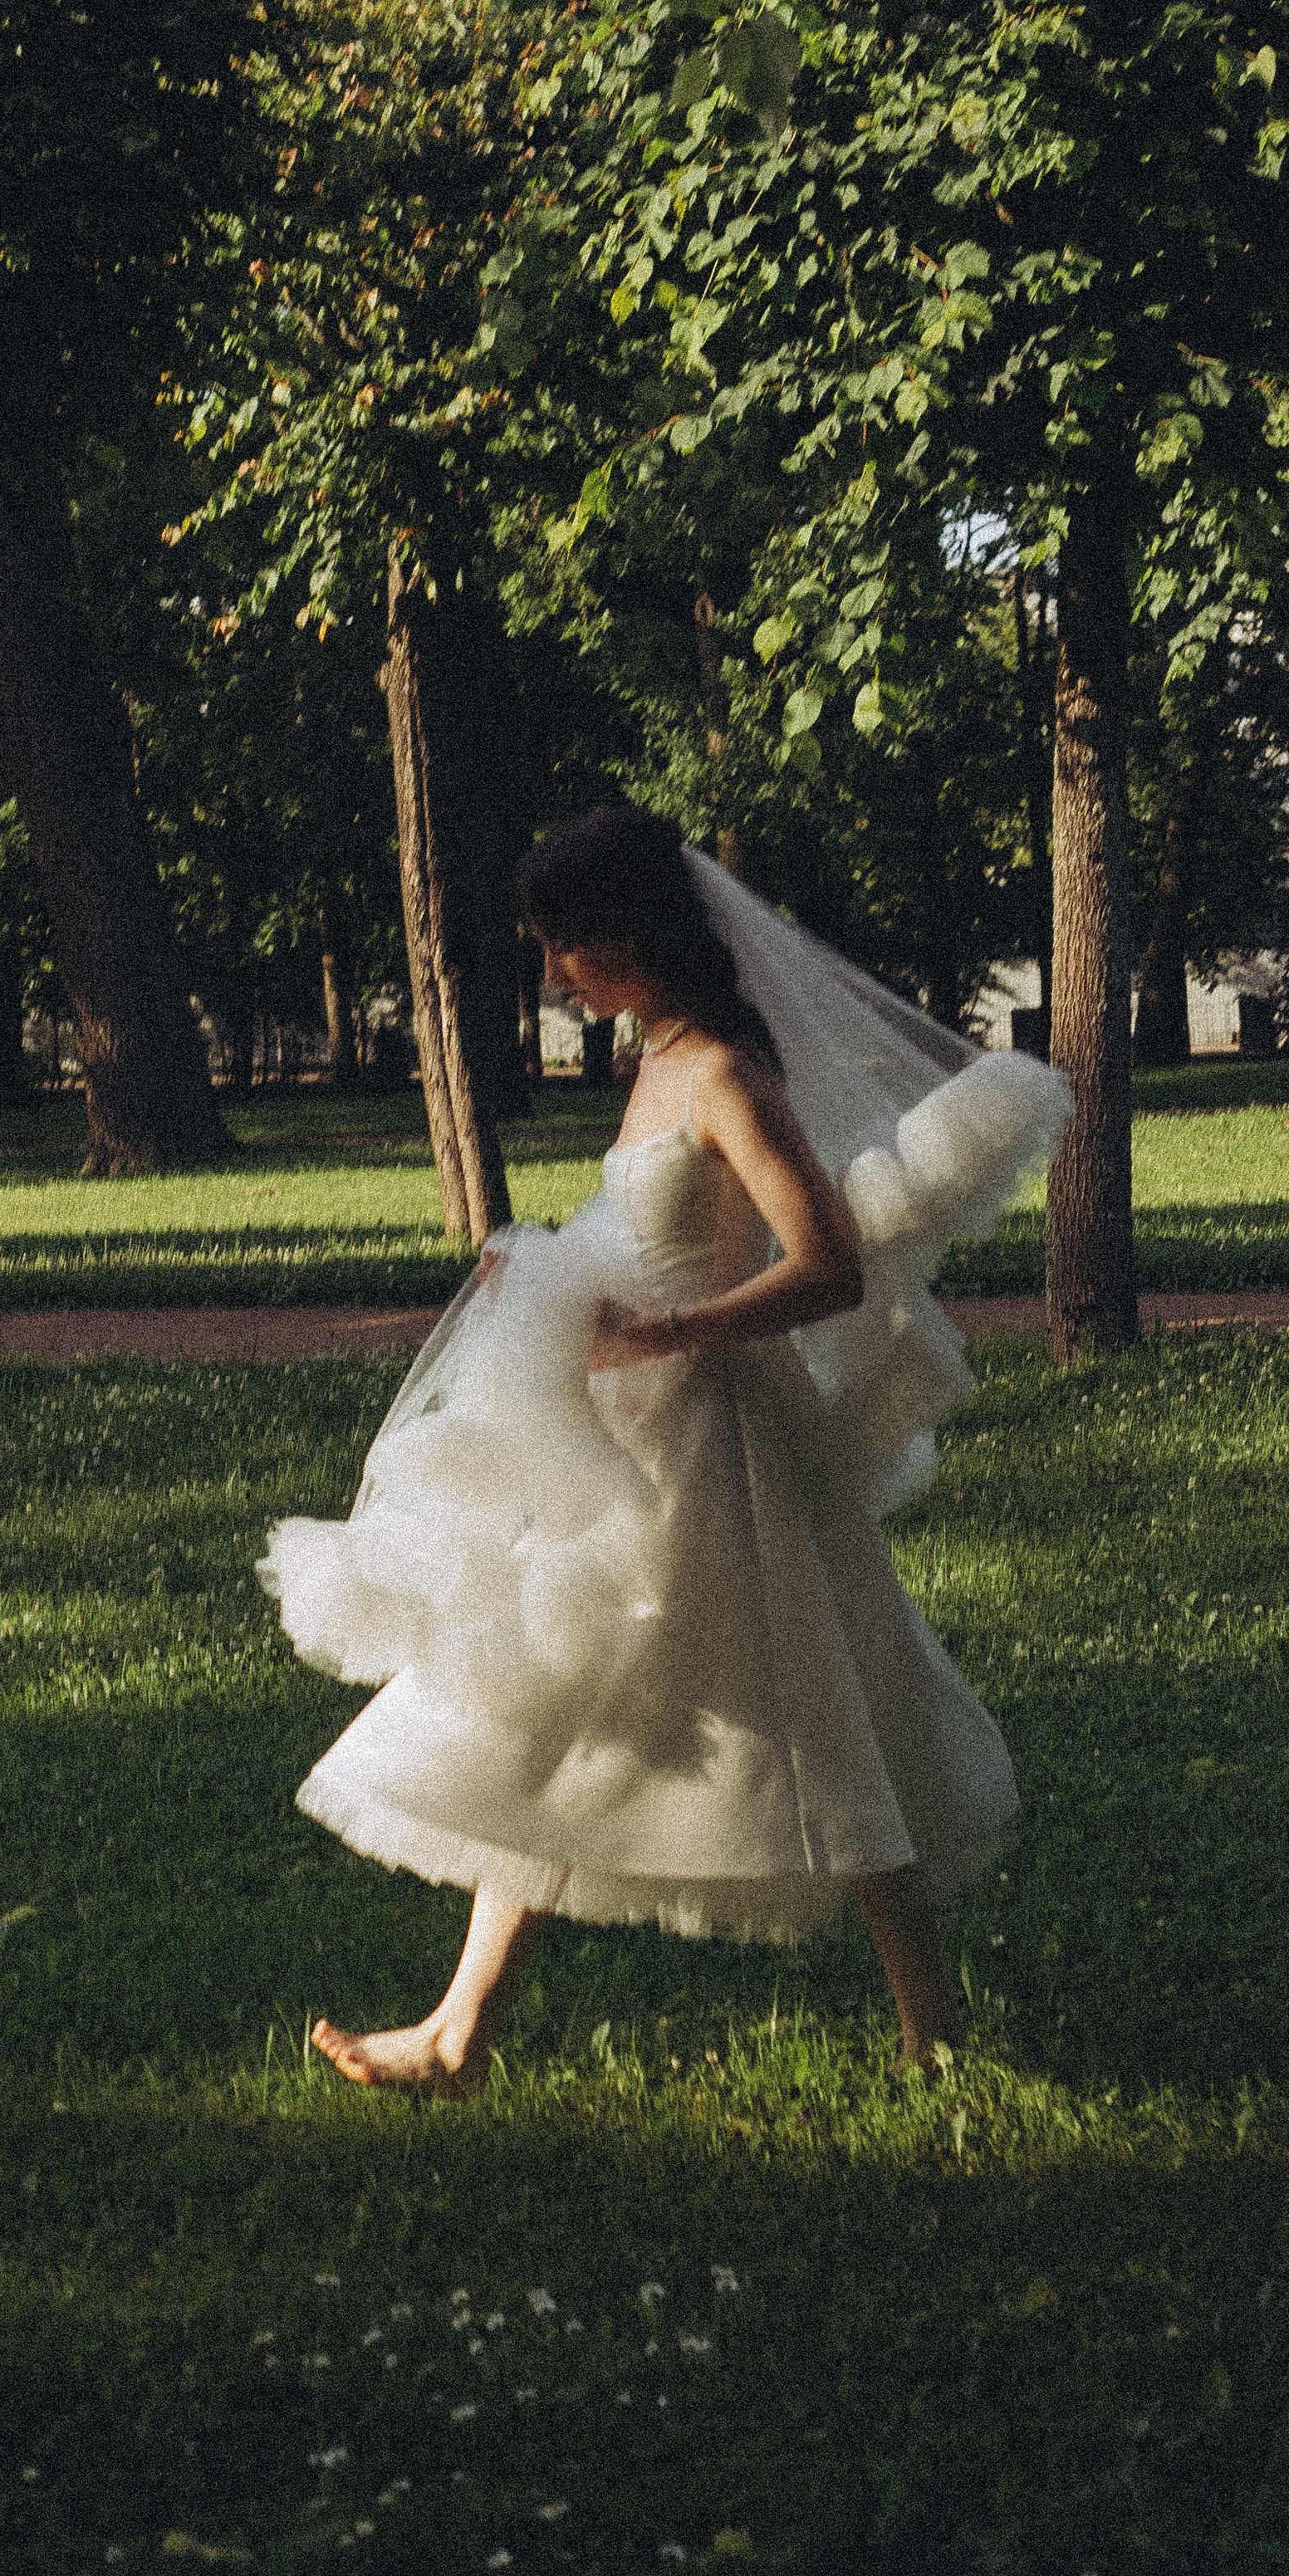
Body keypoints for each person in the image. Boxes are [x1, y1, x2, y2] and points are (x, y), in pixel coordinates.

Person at [260, 807, 1070, 2089]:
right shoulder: (659, 1059)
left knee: (827, 1716)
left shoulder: (725, 1075)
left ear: (627, 934)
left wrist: (673, 1331)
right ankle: (460, 2031)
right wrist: (549, 1277)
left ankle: (938, 2033)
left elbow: (829, 1268)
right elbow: (653, 1234)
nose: (554, 976)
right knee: (566, 1697)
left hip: (721, 1449)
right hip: (633, 1437)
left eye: (564, 948)